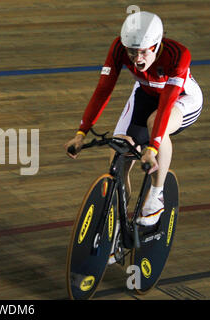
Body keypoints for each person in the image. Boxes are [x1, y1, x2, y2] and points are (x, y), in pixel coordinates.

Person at [64, 11, 203, 229]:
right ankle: (115, 228)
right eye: (132, 52)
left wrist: (153, 148)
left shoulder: (178, 55)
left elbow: (166, 104)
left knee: (156, 122)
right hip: (146, 94)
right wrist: (81, 133)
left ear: (157, 46)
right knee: (118, 153)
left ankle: (157, 195)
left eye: (143, 52)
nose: (137, 59)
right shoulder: (119, 48)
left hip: (181, 99)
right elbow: (103, 90)